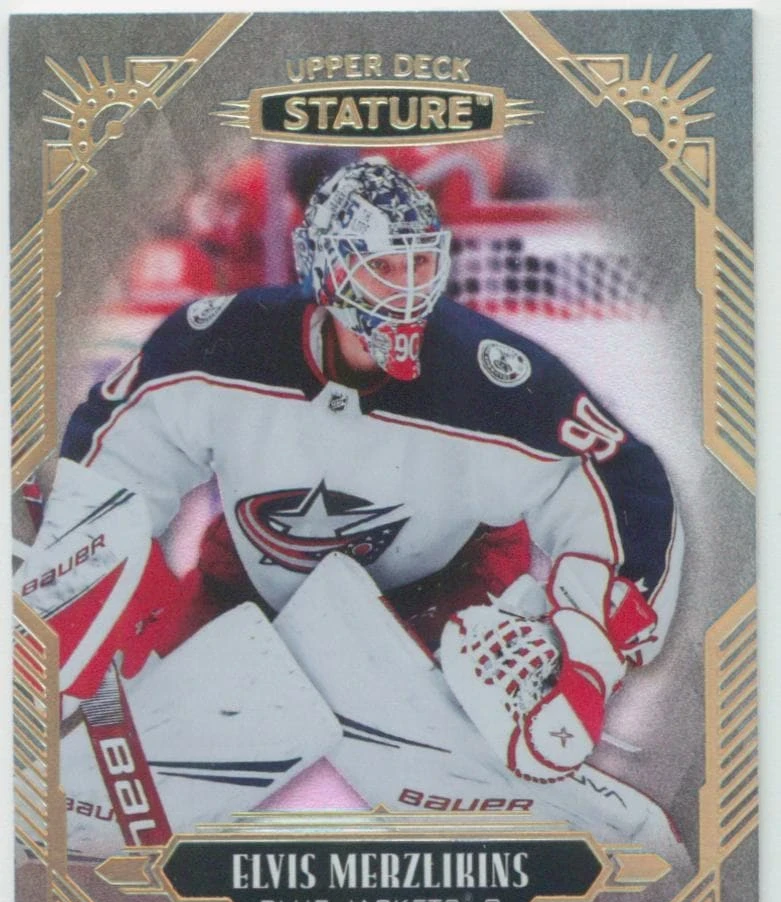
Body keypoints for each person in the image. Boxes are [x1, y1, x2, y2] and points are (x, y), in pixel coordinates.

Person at [23, 159, 682, 789]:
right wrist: (78, 602)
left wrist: (589, 656)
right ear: (327, 268)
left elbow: (618, 477)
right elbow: (117, 455)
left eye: (419, 263)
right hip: (258, 577)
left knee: (477, 732)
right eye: (382, 266)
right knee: (148, 717)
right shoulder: (228, 341)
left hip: (441, 592)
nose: (407, 289)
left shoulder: (488, 374)